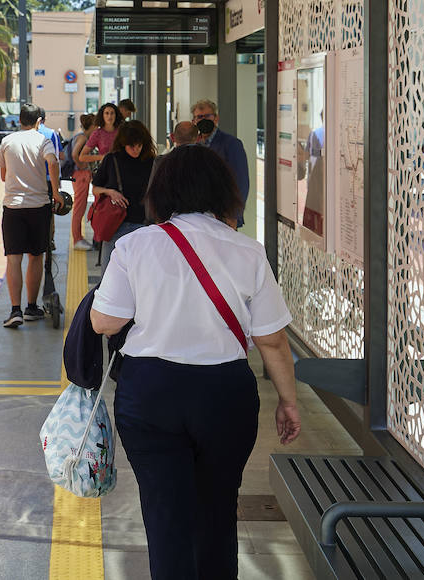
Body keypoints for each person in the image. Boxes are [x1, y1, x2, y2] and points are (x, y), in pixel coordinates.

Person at [90, 145, 302, 579]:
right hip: (224, 394)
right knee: (218, 507)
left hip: (150, 393)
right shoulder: (248, 252)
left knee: (165, 513)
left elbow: (104, 323)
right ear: (223, 191)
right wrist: (289, 401)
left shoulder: (135, 246)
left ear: (161, 192)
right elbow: (273, 341)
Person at [0, 102, 66, 328]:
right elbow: (53, 163)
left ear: (19, 120)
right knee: (35, 256)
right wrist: (56, 192)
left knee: (13, 258)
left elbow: (3, 176)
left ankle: (15, 310)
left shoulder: (7, 141)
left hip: (13, 207)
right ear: (38, 122)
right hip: (39, 206)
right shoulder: (43, 140)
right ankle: (31, 307)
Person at [91, 119, 157, 269]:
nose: (136, 150)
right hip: (115, 225)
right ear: (123, 143)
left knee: (139, 274)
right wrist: (110, 192)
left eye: (139, 145)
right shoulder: (112, 159)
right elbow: (95, 188)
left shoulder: (151, 162)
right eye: (131, 146)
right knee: (109, 275)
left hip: (144, 225)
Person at [193, 99, 250, 228]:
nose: (203, 120)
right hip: (198, 217)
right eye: (199, 117)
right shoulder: (193, 145)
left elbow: (241, 181)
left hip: (224, 217)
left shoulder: (231, 144)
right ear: (194, 121)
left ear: (216, 118)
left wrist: (234, 214)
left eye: (208, 116)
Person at [69, 113, 97, 249]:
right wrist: (82, 166)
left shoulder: (79, 136)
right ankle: (77, 239)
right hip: (81, 175)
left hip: (79, 175)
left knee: (79, 207)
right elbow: (75, 154)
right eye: (96, 126)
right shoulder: (83, 138)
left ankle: (78, 238)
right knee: (79, 208)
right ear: (91, 126)